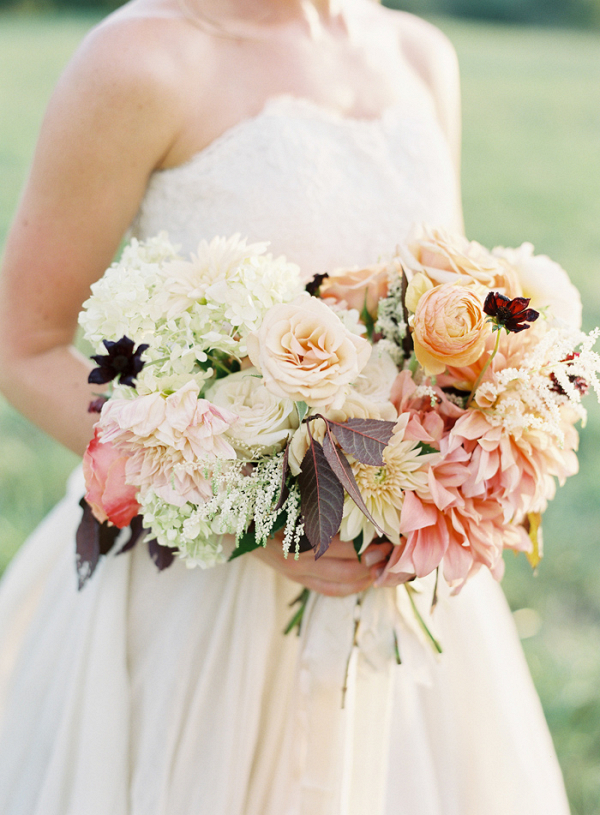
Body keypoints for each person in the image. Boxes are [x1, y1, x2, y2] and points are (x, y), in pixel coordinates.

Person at [0, 0, 572, 812]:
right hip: (196, 598)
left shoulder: (420, 55)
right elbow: (23, 343)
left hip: (397, 597)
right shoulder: (141, 59)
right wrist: (247, 514)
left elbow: (444, 322)